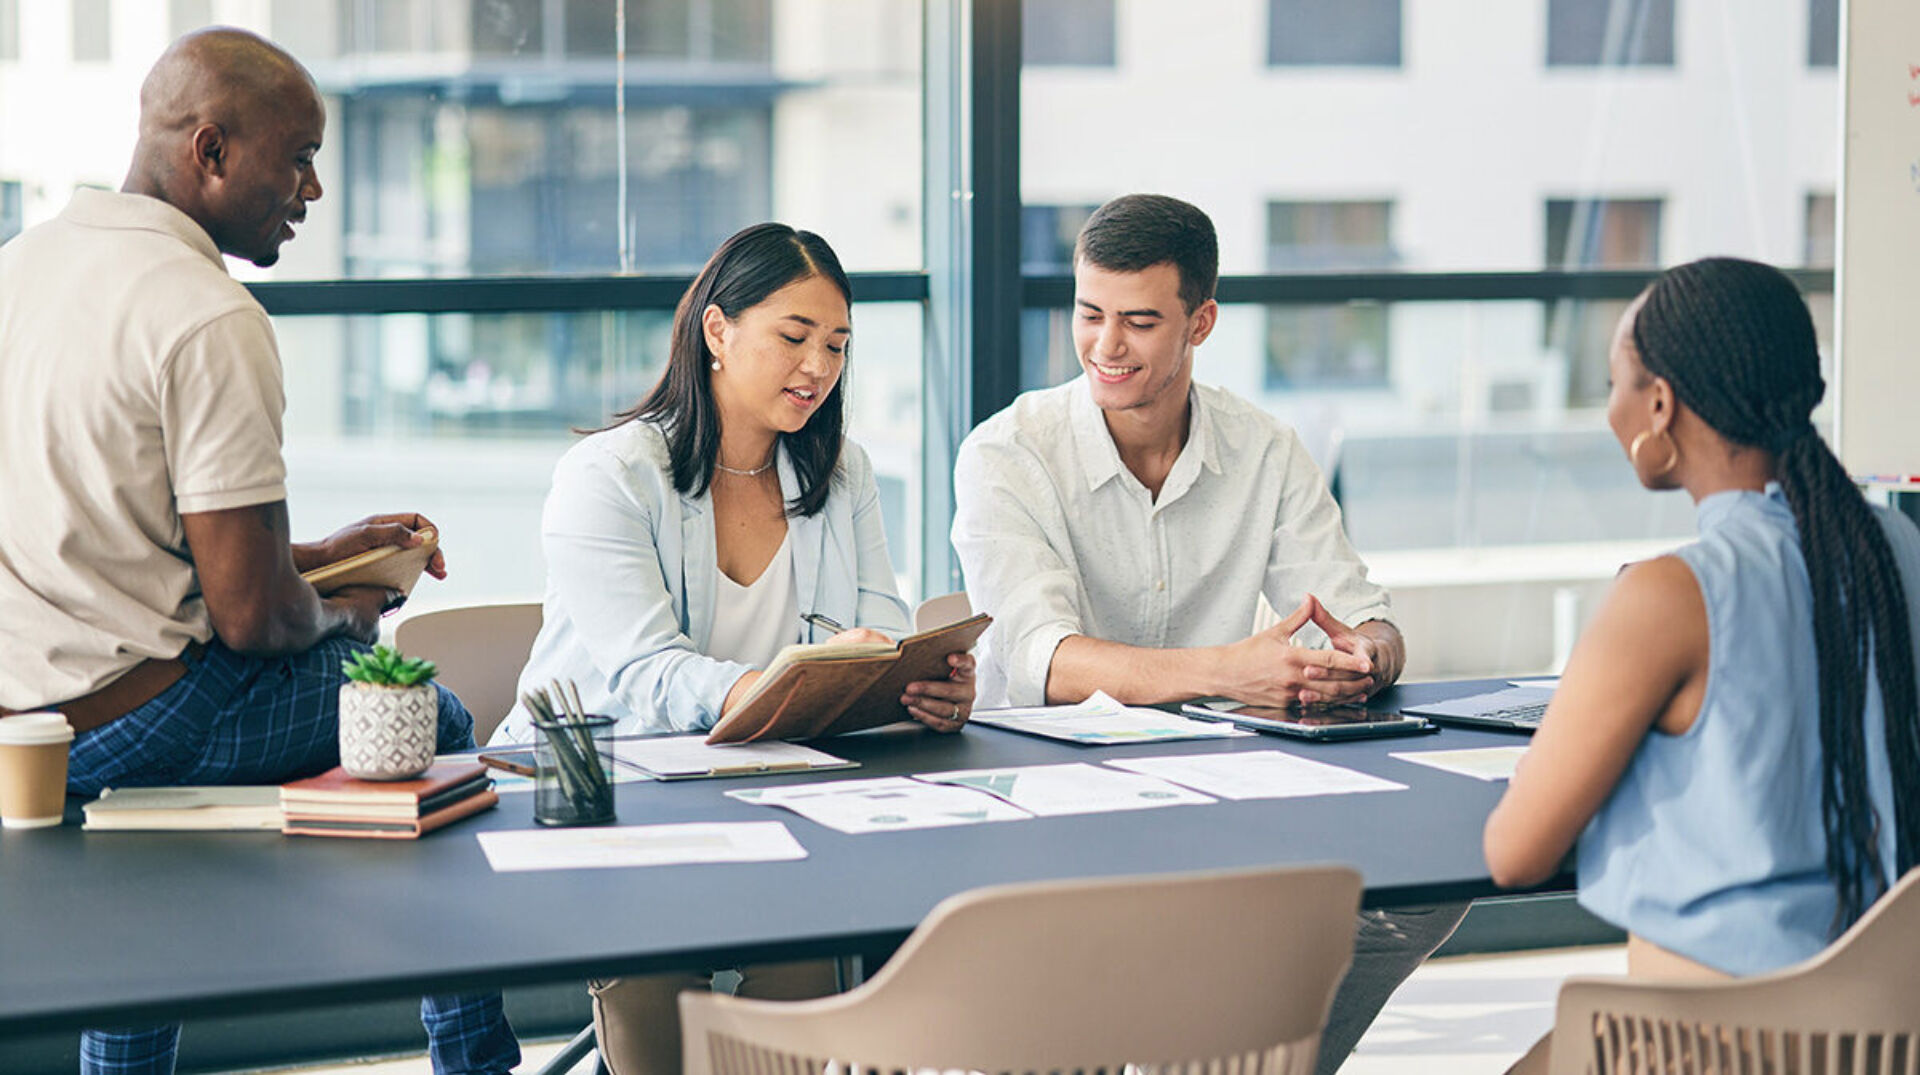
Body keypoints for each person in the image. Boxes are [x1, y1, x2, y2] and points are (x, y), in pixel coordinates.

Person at [0, 29, 519, 1075]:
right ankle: (477, 1063)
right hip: (143, 717)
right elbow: (250, 619)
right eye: (299, 156)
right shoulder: (205, 313)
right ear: (211, 151)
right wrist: (348, 605)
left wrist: (318, 555)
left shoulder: (24, 268)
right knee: (432, 714)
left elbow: (123, 536)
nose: (314, 188)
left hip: (24, 731)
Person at [950, 193, 1465, 1075]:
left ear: (1203, 321)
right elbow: (1046, 663)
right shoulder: (1007, 453)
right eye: (1090, 314)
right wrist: (1236, 670)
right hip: (1046, 813)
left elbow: (1368, 616)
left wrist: (1363, 657)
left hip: (1216, 799)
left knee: (1428, 881)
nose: (1106, 346)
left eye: (1140, 321)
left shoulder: (1263, 448)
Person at [491, 222, 977, 1075]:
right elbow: (644, 671)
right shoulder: (609, 475)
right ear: (717, 330)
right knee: (657, 1008)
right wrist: (791, 681)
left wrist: (914, 683)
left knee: (815, 976)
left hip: (773, 793)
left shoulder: (843, 471)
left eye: (837, 345)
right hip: (611, 794)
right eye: (794, 337)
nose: (819, 366)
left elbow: (877, 629)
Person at [1483, 257, 1920, 1068]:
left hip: (1703, 1045)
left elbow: (1516, 852)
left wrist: (1623, 639)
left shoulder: (1669, 595)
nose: (1610, 409)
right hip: (1878, 1036)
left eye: (1615, 383)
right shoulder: (1899, 548)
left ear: (1659, 405)